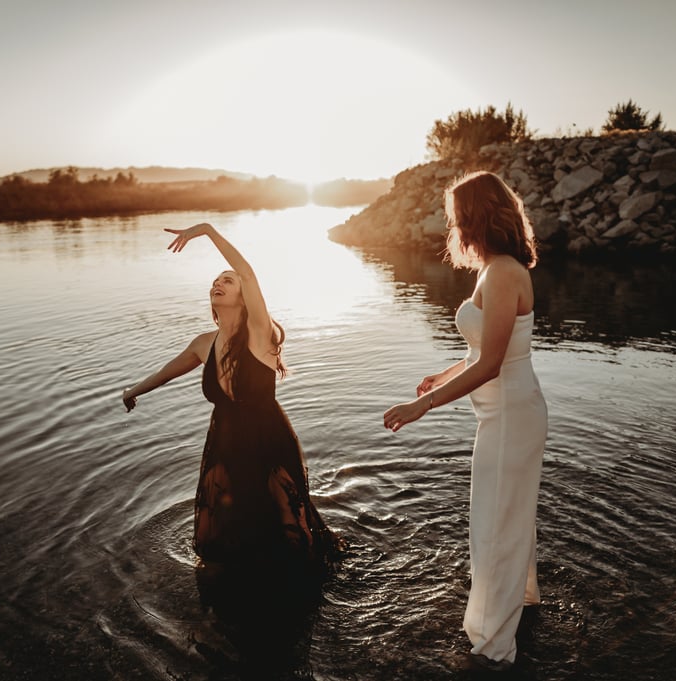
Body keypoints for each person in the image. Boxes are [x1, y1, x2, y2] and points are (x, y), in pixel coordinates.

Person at [382, 171, 548, 671]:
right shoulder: (495, 269)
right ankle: (520, 598)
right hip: (504, 411)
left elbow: (493, 364)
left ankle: (493, 647)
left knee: (495, 523)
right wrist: (444, 373)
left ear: (476, 216)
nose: (451, 224)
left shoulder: (502, 274)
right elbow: (481, 351)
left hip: (511, 416)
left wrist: (422, 407)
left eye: (456, 215)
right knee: (504, 513)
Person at [122, 222, 343, 583]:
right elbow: (166, 373)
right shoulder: (203, 342)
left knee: (288, 516)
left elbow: (248, 273)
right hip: (224, 440)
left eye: (228, 280)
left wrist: (208, 231)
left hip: (267, 436)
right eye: (215, 280)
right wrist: (133, 391)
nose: (218, 283)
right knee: (223, 521)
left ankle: (304, 584)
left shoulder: (260, 333)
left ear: (244, 295)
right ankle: (234, 584)